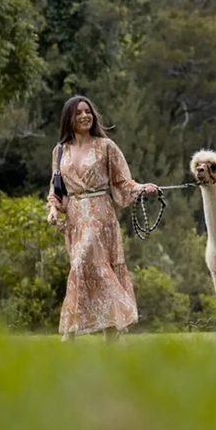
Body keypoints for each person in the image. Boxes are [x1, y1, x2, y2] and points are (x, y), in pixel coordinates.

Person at [46, 95, 158, 342]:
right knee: (88, 269)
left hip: (100, 214)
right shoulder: (60, 151)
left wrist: (141, 188)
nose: (85, 116)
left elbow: (122, 181)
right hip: (75, 219)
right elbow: (56, 189)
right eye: (79, 113)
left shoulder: (106, 147)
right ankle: (110, 331)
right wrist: (53, 210)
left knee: (84, 265)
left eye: (88, 112)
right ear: (69, 118)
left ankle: (70, 334)